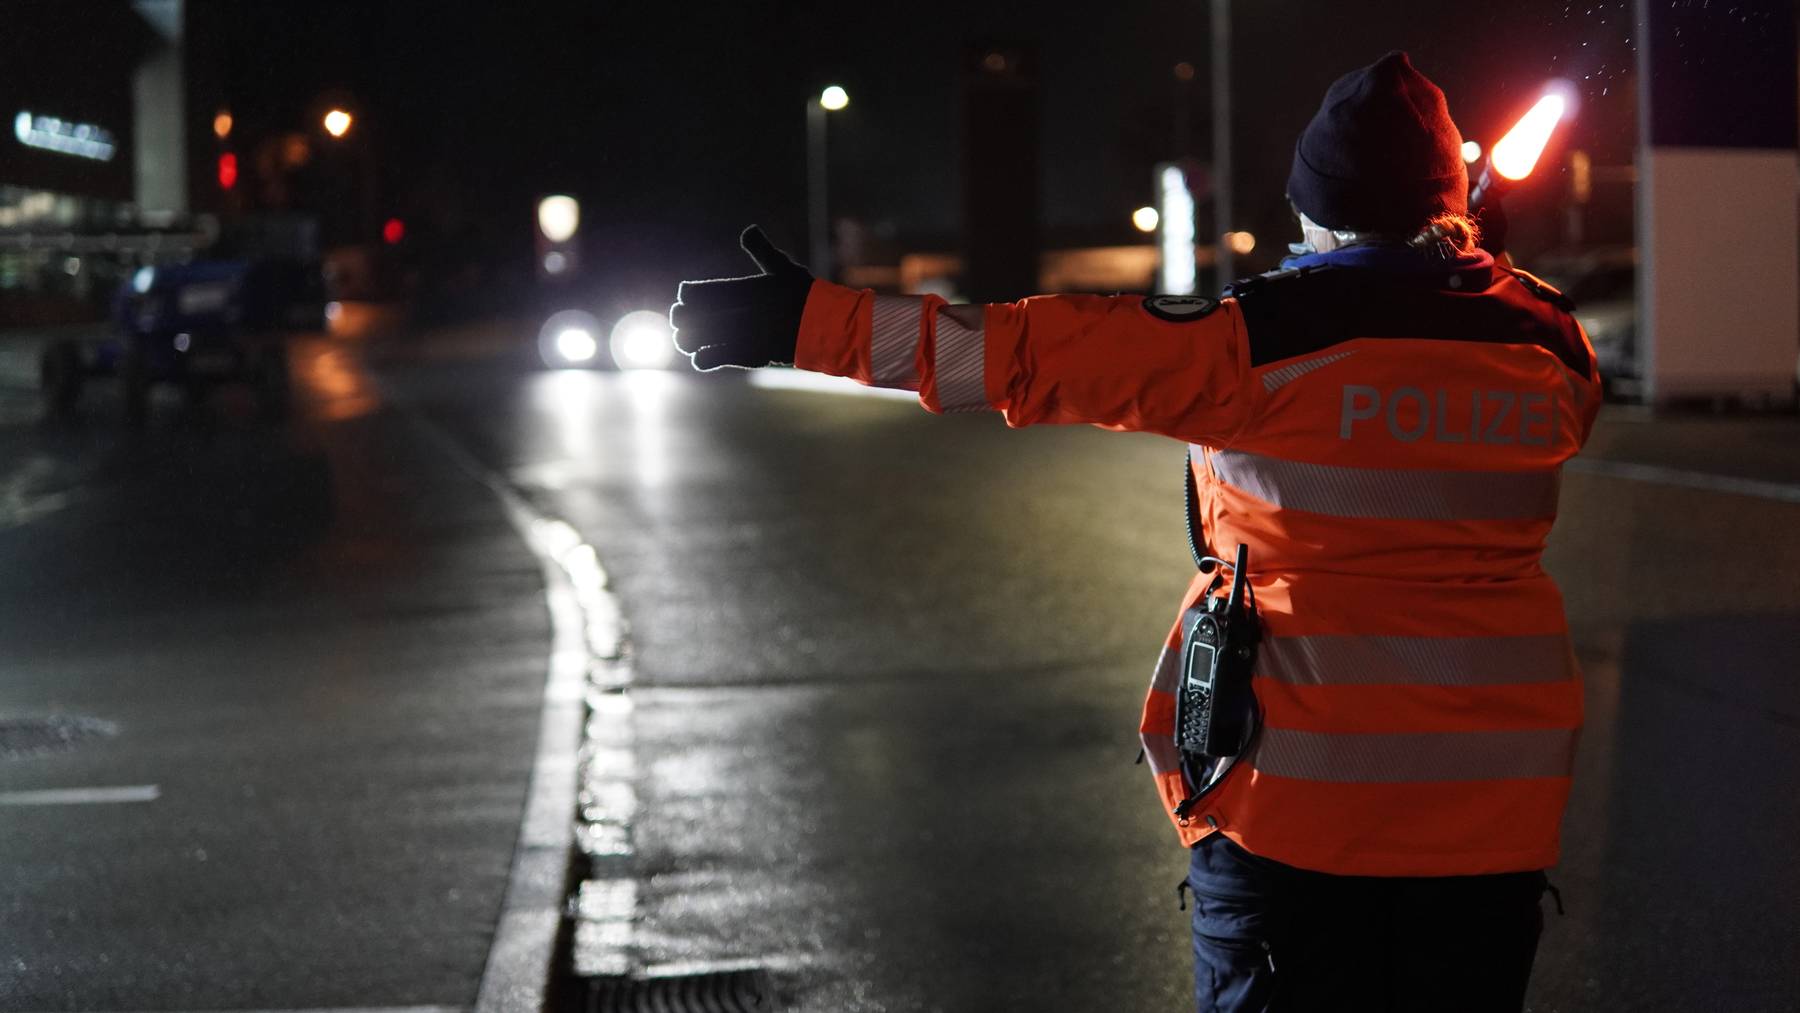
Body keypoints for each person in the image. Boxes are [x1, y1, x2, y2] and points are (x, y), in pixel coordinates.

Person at [669, 51, 1599, 1013]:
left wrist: (811, 323)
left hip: (1298, 820)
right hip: (1498, 820)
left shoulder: (1259, 342)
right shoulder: (1554, 349)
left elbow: (1021, 353)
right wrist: (1460, 267)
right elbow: (1457, 340)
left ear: (1317, 212)